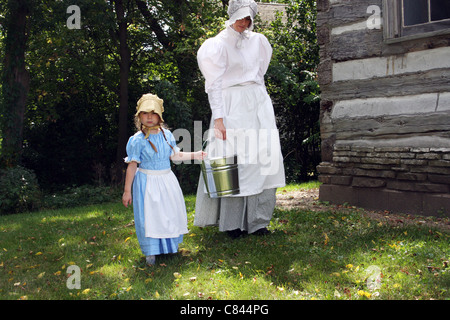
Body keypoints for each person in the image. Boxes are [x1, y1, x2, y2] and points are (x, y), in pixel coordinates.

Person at [194, 0, 285, 239]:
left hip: (257, 102)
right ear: (232, 15)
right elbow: (213, 85)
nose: (244, 23)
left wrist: (260, 101)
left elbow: (260, 73)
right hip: (231, 105)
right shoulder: (216, 45)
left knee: (262, 160)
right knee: (234, 162)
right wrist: (219, 118)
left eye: (248, 19)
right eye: (241, 17)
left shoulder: (259, 42)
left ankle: (258, 222)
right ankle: (232, 224)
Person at [122, 93, 206, 265]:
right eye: (145, 114)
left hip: (166, 180)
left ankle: (169, 247)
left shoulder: (166, 135)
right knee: (150, 216)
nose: (149, 117)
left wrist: (196, 154)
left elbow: (175, 156)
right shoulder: (136, 140)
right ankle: (151, 252)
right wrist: (126, 191)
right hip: (147, 182)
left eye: (153, 114)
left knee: (168, 213)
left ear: (160, 116)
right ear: (139, 116)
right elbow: (132, 165)